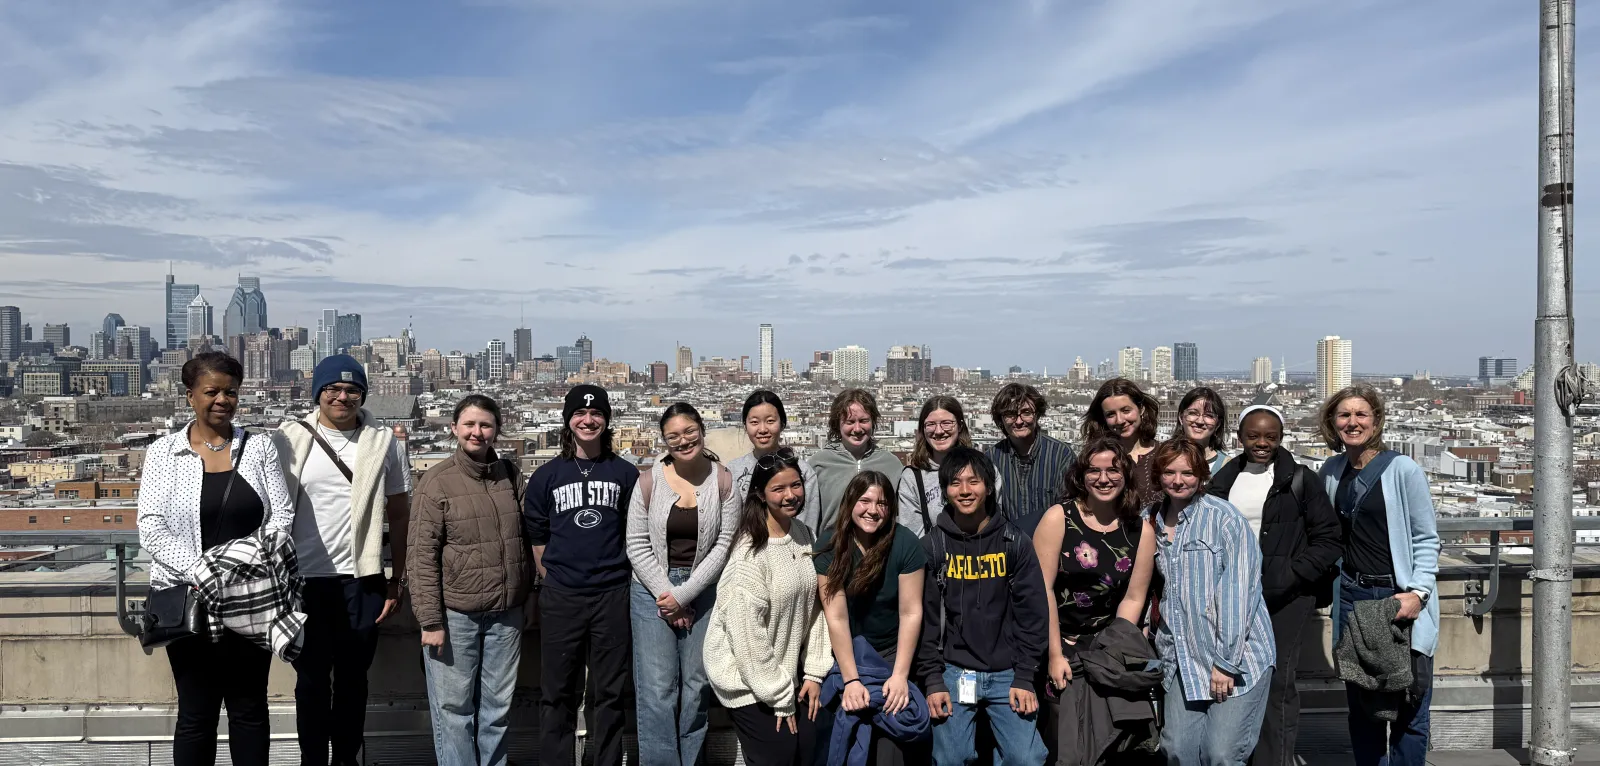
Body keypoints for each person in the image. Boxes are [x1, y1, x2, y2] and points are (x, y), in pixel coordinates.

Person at [138, 352, 294, 766]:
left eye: (231, 391)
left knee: (249, 711)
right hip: (188, 601)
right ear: (190, 396)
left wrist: (241, 569)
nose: (222, 399)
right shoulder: (162, 454)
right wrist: (204, 573)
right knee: (196, 714)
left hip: (251, 599)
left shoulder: (259, 447)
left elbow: (282, 515)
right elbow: (151, 526)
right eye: (212, 391)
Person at [274, 354, 412, 766]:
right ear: (318, 393)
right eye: (332, 388)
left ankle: (346, 760)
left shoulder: (384, 443)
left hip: (361, 579)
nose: (342, 396)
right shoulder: (287, 439)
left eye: (352, 389)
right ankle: (312, 759)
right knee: (310, 682)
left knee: (353, 682)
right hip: (303, 581)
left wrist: (395, 579)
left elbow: (401, 513)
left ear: (363, 395)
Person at [1207, 405, 1342, 766]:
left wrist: (1292, 575)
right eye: (1253, 435)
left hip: (1286, 600)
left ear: (1281, 438)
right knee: (1226, 676)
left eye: (1271, 436)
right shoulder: (1223, 479)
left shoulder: (1300, 479)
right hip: (1231, 597)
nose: (1262, 443)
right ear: (1240, 437)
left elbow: (1328, 538)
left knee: (1277, 683)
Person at [1317, 386, 1439, 766]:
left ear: (1376, 420)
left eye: (1361, 415)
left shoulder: (1403, 469)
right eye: (1343, 415)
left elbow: (1425, 537)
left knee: (1408, 703)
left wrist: (1418, 593)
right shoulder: (1330, 471)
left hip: (1396, 597)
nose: (1352, 422)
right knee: (1362, 704)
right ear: (1332, 424)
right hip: (1352, 595)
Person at [408, 394, 529, 766]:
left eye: (486, 425)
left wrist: (532, 594)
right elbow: (420, 556)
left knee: (498, 711)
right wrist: (430, 620)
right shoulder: (436, 482)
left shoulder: (510, 476)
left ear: (497, 430)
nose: (477, 432)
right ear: (454, 429)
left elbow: (530, 538)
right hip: (455, 615)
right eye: (470, 425)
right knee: (454, 711)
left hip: (506, 615)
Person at [523, 384, 639, 766]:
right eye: (580, 414)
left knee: (610, 691)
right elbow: (537, 536)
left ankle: (606, 760)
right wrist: (553, 578)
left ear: (606, 421)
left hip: (612, 593)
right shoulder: (546, 476)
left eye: (596, 414)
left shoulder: (625, 474)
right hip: (562, 596)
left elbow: (634, 533)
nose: (588, 420)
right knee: (557, 691)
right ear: (568, 420)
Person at [917, 446, 1049, 766]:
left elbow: (1032, 614)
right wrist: (933, 680)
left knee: (1027, 757)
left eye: (973, 481)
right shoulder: (934, 546)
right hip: (953, 669)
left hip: (1008, 671)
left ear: (989, 487)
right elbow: (926, 621)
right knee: (950, 757)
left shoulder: (1014, 542)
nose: (965, 491)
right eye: (955, 483)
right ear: (945, 491)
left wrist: (1025, 676)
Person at [1033, 436, 1160, 765]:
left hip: (1106, 648)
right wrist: (1055, 653)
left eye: (1113, 470)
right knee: (1066, 743)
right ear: (1081, 475)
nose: (1104, 479)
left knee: (1106, 742)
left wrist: (1112, 652)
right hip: (1060, 644)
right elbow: (1041, 589)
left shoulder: (1139, 531)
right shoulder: (1059, 519)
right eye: (1094, 470)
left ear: (1126, 476)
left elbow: (1133, 597)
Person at [1148, 439, 1275, 766]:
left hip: (1236, 655)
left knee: (1221, 754)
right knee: (1177, 749)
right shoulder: (1151, 522)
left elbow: (1238, 593)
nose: (1178, 480)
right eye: (1169, 472)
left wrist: (1225, 662)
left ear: (1202, 475)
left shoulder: (1224, 519)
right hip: (1183, 655)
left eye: (1188, 472)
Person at [626, 402, 739, 766]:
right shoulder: (648, 481)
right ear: (664, 440)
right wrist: (668, 596)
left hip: (703, 591)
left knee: (696, 687)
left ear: (702, 431)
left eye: (689, 431)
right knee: (657, 689)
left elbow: (725, 543)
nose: (683, 440)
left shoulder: (723, 480)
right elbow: (636, 544)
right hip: (650, 592)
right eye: (673, 435)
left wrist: (685, 595)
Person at [704, 448, 832, 766]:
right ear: (761, 494)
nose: (790, 495)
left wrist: (815, 673)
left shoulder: (805, 535)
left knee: (811, 747)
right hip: (748, 681)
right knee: (781, 753)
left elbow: (818, 610)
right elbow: (748, 637)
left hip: (791, 674)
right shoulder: (749, 553)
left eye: (796, 485)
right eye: (779, 489)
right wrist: (780, 696)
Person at [816, 471, 930, 765]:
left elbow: (910, 612)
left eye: (882, 503)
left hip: (892, 653)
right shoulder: (830, 544)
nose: (873, 510)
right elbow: (836, 616)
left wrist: (900, 675)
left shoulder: (904, 544)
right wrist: (851, 679)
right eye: (864, 500)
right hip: (847, 653)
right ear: (850, 502)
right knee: (847, 727)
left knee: (891, 740)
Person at [984, 383, 1076, 536]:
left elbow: (1071, 510)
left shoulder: (1061, 455)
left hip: (1053, 545)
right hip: (1009, 549)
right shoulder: (992, 458)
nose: (1019, 421)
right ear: (1000, 419)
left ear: (1037, 414)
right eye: (1011, 414)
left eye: (1026, 412)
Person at [810, 389, 905, 533]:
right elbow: (810, 518)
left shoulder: (892, 464)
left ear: (873, 422)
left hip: (880, 549)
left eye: (863, 421)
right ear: (837, 424)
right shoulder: (818, 464)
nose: (857, 428)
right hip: (832, 549)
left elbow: (898, 515)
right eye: (850, 422)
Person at [728, 390, 821, 530]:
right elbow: (730, 525)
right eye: (754, 422)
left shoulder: (802, 471)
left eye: (770, 421)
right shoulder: (733, 470)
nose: (763, 429)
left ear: (782, 424)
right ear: (745, 426)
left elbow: (808, 525)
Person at [898, 396, 972, 538]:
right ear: (922, 429)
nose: (938, 431)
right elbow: (913, 537)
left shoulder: (982, 469)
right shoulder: (913, 478)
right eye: (931, 424)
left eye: (946, 423)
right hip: (933, 557)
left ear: (960, 426)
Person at [1081, 378, 1162, 503]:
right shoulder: (1094, 458)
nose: (1120, 420)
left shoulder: (1164, 454)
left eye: (1126, 411)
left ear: (1141, 409)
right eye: (1111, 414)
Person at [1177, 387, 1231, 476]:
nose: (1200, 421)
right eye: (1193, 413)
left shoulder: (1226, 466)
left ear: (1218, 424)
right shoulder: (1163, 458)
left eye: (1209, 415)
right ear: (1181, 418)